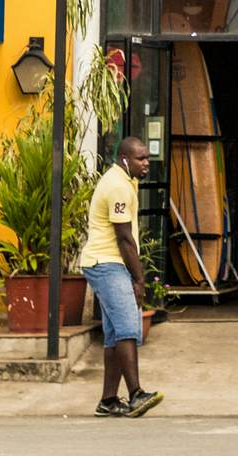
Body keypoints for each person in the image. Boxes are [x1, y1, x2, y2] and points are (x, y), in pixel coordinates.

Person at [82, 136, 160, 418]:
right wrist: (138, 279)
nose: (146, 164)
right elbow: (124, 238)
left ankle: (109, 400)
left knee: (115, 335)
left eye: (147, 159)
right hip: (107, 263)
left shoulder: (126, 180)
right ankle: (136, 393)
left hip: (108, 263)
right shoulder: (117, 185)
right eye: (141, 159)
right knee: (129, 326)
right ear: (125, 159)